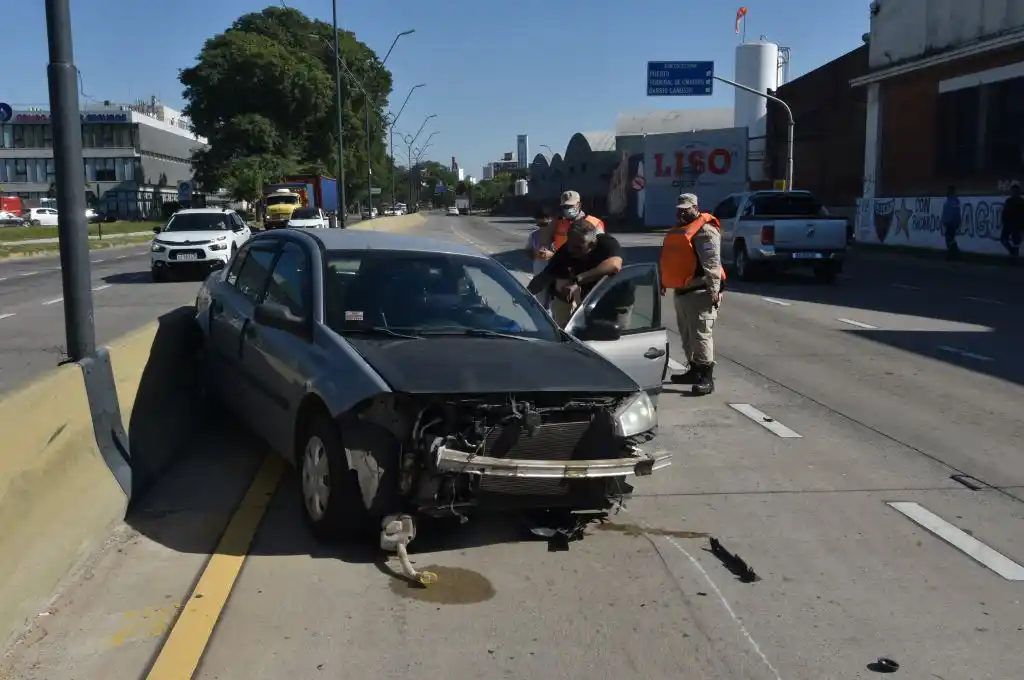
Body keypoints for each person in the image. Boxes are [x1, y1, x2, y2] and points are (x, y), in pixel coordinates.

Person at [660, 192, 726, 396]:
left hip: (700, 291)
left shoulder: (705, 231)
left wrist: (714, 289)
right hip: (682, 291)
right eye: (680, 209)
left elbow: (712, 263)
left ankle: (706, 377)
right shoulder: (680, 230)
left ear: (696, 208)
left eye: (686, 209)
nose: (682, 212)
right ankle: (694, 370)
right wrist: (663, 281)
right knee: (687, 336)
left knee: (701, 335)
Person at [528, 219, 624, 328]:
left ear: (592, 245)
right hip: (591, 302)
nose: (571, 250)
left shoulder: (607, 244)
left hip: (618, 303)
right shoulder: (566, 252)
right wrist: (523, 294)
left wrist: (577, 280)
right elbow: (544, 276)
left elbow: (615, 265)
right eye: (569, 244)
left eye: (578, 247)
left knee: (619, 337)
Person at [1001, 181, 1024, 264]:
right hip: (1010, 225)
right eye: (1012, 191)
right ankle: (1013, 255)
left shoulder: (1020, 202)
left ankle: (1014, 258)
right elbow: (1004, 212)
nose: (1013, 193)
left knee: (1015, 243)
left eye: (1014, 191)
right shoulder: (1009, 201)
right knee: (1004, 240)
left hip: (1016, 226)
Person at [941, 185, 961, 261]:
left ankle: (953, 254)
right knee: (951, 238)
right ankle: (953, 253)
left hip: (950, 222)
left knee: (949, 239)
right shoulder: (956, 201)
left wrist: (944, 221)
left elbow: (948, 213)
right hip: (953, 222)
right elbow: (957, 213)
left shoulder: (950, 202)